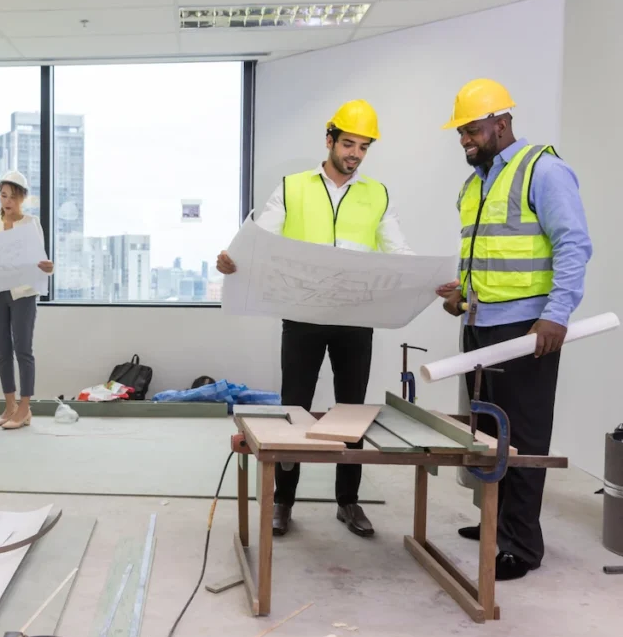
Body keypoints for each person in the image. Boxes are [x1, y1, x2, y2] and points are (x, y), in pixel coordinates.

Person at [217, 100, 423, 539]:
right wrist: (234, 261)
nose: (355, 154)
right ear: (329, 140)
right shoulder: (293, 188)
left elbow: (399, 252)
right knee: (294, 409)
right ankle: (284, 502)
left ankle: (348, 501)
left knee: (351, 410)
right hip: (304, 316)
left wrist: (428, 280)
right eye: (348, 143)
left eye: (363, 147)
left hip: (355, 319)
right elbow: (260, 237)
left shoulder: (376, 194)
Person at [435, 79, 592, 580]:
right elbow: (481, 253)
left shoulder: (542, 170)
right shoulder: (476, 182)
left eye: (473, 130)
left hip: (526, 330)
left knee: (521, 438)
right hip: (480, 326)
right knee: (484, 435)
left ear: (502, 124)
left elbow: (573, 244)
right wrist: (461, 295)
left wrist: (557, 314)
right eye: (461, 133)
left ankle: (521, 546)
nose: (466, 140)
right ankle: (495, 525)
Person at [0, 170, 54, 430]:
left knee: (23, 351)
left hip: (23, 294)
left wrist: (48, 267)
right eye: (3, 195)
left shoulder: (31, 223)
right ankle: (9, 406)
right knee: (3, 352)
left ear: (22, 199)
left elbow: (39, 260)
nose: (7, 201)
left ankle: (25, 409)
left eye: (13, 197)